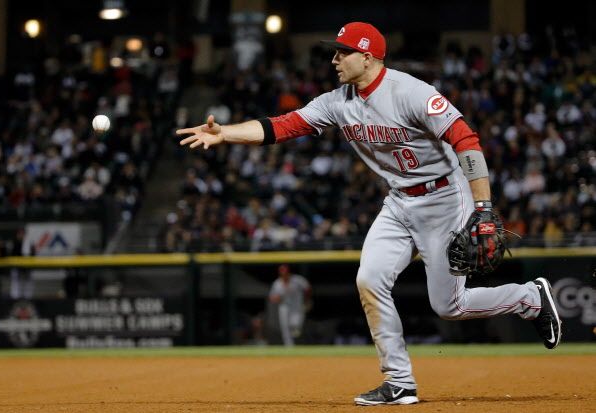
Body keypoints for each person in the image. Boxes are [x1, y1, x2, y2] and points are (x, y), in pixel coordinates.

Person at [177, 22, 562, 406]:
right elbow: (283, 125)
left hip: (444, 198)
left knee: (449, 306)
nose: (334, 58)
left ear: (368, 56)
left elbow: (466, 139)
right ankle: (399, 382)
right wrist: (225, 133)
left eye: (343, 52)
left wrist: (484, 207)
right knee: (369, 279)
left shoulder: (411, 92)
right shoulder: (337, 101)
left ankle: (529, 298)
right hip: (398, 202)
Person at [268, 264, 312, 346]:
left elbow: (307, 288)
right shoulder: (277, 283)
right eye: (281, 271)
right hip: (284, 306)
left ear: (288, 271)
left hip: (297, 306)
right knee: (285, 328)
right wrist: (277, 298)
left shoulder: (297, 280)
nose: (283, 272)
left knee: (295, 325)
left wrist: (307, 300)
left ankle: (295, 330)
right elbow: (271, 298)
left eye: (284, 270)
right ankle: (289, 347)